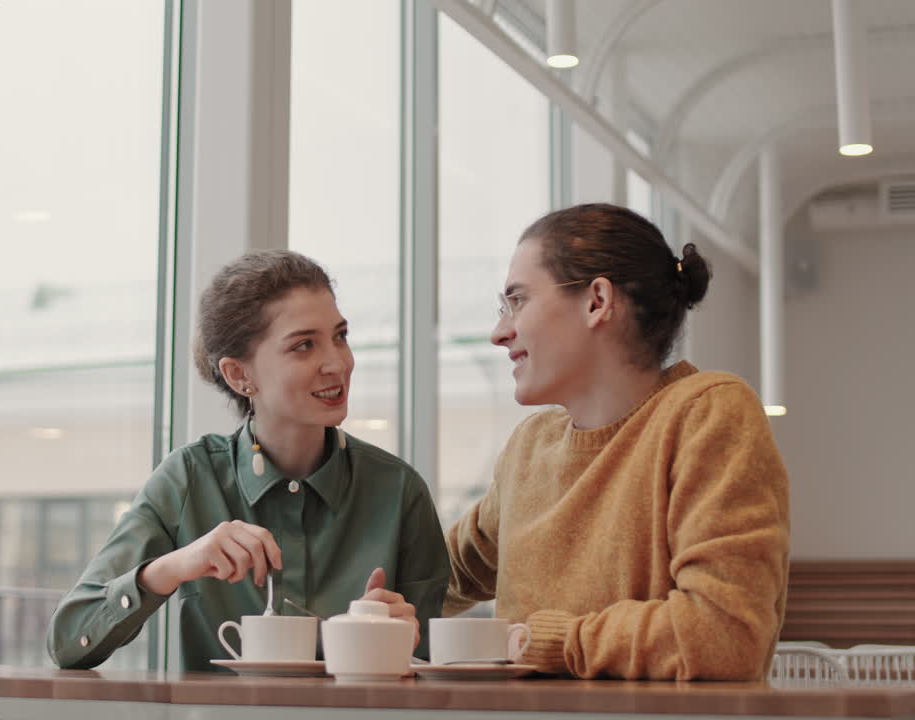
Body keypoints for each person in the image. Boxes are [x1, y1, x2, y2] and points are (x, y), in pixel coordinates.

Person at [49, 249, 449, 671]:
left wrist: (405, 640)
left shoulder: (399, 490)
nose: (337, 363)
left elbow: (431, 670)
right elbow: (68, 641)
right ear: (239, 375)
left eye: (340, 336)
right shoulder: (188, 480)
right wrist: (174, 567)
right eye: (304, 345)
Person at [444, 203, 790, 681]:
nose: (499, 332)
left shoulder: (706, 413)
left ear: (597, 301)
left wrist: (544, 642)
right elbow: (436, 572)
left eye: (518, 301)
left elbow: (724, 635)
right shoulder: (530, 446)